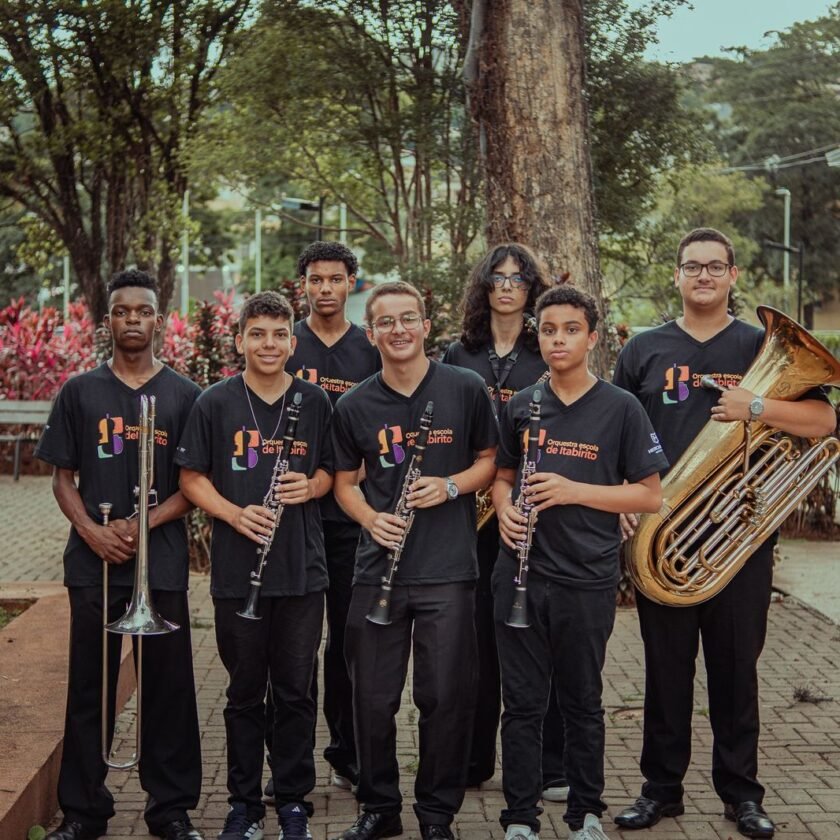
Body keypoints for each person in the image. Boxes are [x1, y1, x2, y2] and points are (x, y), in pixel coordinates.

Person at [612, 228, 836, 839]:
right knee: (666, 670)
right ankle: (661, 791)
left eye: (715, 267)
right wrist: (621, 503)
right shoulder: (644, 350)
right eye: (692, 267)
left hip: (739, 533)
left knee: (736, 672)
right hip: (663, 537)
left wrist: (755, 408)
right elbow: (613, 431)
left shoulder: (759, 344)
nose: (703, 276)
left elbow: (824, 418)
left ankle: (742, 794)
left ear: (733, 276)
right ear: (677, 276)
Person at [493, 285, 667, 840]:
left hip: (585, 578)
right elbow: (500, 475)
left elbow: (648, 496)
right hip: (520, 573)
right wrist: (502, 511)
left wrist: (574, 490)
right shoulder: (522, 403)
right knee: (520, 705)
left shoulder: (621, 407)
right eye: (548, 330)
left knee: (582, 702)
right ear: (536, 336)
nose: (558, 339)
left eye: (570, 329)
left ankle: (585, 813)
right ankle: (520, 817)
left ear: (592, 337)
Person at [36, 269, 203, 840]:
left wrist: (141, 523)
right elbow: (62, 477)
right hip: (94, 561)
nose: (133, 319)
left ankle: (171, 808)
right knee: (91, 685)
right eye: (121, 311)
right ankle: (84, 810)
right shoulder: (79, 390)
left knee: (171, 686)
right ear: (107, 320)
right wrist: (91, 530)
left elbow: (194, 484)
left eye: (144, 310)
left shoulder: (185, 394)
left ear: (159, 319)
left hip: (161, 559)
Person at [330, 281, 498, 840]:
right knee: (371, 701)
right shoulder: (354, 404)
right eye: (386, 322)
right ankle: (379, 808)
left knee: (445, 700)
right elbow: (345, 482)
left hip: (449, 571)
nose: (399, 330)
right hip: (378, 570)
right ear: (371, 332)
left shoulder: (466, 387)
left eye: (409, 319)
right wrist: (369, 518)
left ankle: (436, 815)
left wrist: (450, 487)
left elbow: (488, 461)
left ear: (426, 326)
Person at [177, 291, 334, 840]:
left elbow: (335, 475)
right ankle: (242, 803)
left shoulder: (314, 402)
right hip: (235, 571)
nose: (268, 344)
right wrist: (235, 514)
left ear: (293, 342)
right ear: (239, 340)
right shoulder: (214, 402)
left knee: (295, 691)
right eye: (257, 334)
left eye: (278, 334)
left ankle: (292, 800)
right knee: (245, 692)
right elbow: (191, 478)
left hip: (300, 571)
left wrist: (310, 485)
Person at [442, 243, 567, 798]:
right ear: (484, 285)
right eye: (499, 276)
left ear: (533, 287)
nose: (509, 285)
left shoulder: (548, 351)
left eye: (520, 277)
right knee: (473, 642)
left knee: (538, 636)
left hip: (531, 510)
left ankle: (553, 764)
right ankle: (471, 760)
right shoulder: (456, 353)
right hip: (467, 516)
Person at [283, 241, 380, 792]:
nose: (325, 288)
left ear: (351, 284)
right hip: (290, 518)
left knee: (349, 640)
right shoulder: (281, 341)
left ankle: (348, 753)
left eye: (335, 279)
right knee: (292, 650)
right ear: (304, 284)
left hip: (348, 520)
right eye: (316, 279)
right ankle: (291, 767)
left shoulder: (368, 349)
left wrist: (356, 478)